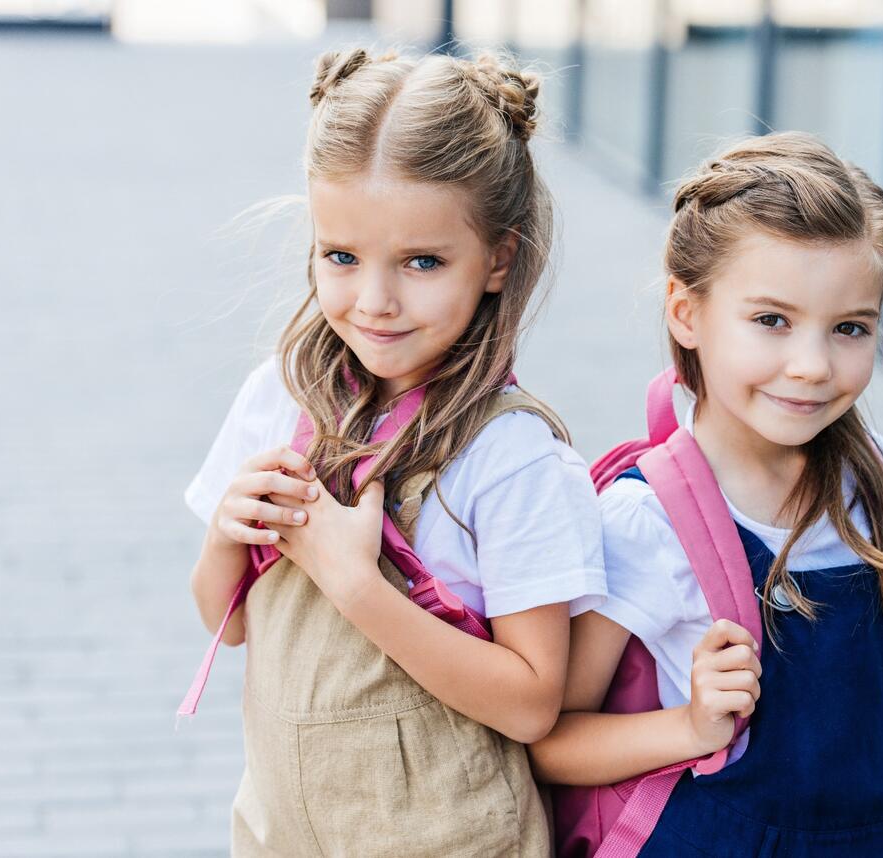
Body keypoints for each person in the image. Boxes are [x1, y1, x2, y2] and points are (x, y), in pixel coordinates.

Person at [184, 48, 604, 856]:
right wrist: (224, 536)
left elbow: (529, 704)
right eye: (340, 256)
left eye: (422, 262)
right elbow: (224, 623)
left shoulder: (509, 455)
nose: (374, 301)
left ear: (498, 259)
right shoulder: (278, 395)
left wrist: (354, 581)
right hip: (283, 832)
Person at [531, 132, 883, 857]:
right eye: (772, 320)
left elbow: (880, 695)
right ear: (687, 313)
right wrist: (688, 727)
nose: (811, 366)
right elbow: (550, 742)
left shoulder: (876, 479)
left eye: (850, 329)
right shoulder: (644, 519)